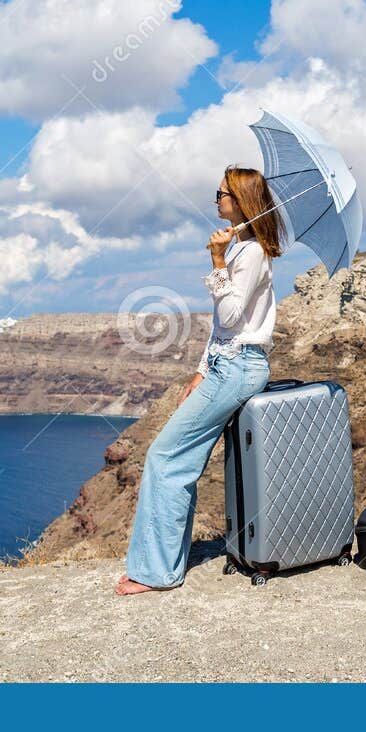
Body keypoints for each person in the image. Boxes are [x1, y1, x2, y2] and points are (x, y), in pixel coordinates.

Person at [116, 165, 285, 595]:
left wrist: (213, 261)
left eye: (223, 193)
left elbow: (230, 315)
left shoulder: (250, 253)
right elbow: (221, 326)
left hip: (240, 367)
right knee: (178, 460)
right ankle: (159, 566)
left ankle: (156, 573)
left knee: (165, 458)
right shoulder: (241, 248)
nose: (216, 199)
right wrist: (201, 370)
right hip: (227, 365)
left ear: (242, 200)